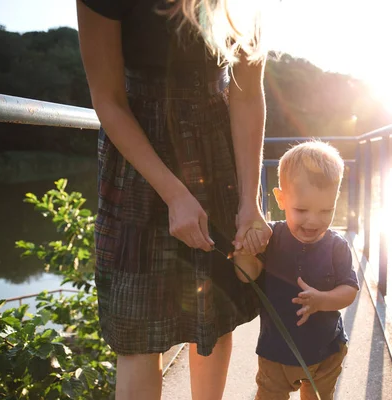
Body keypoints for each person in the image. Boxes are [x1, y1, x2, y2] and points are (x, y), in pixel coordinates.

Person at [76, 0, 272, 399]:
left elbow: (247, 93)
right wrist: (172, 193)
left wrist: (249, 203)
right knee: (138, 329)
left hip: (215, 149)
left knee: (214, 316)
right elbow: (108, 98)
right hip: (139, 151)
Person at [234, 141, 360, 400]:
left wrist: (322, 300)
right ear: (281, 199)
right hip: (275, 351)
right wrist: (244, 252)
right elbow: (247, 274)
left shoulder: (337, 247)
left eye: (327, 210)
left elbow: (349, 291)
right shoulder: (271, 237)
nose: (313, 221)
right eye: (301, 210)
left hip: (325, 350)